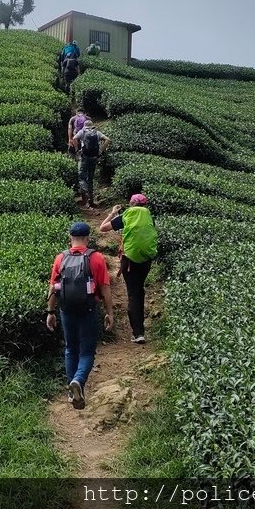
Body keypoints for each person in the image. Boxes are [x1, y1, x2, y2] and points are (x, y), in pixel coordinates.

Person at [46, 221, 114, 409]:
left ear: (70, 238)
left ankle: (71, 391)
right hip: (89, 309)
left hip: (66, 309)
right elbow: (105, 288)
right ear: (87, 239)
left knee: (71, 348)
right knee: (87, 351)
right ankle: (78, 380)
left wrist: (50, 312)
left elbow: (53, 287)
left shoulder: (61, 258)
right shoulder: (96, 258)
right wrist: (109, 312)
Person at [100, 194, 157, 344]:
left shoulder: (126, 216)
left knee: (133, 293)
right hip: (146, 260)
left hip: (129, 261)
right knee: (139, 290)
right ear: (145, 205)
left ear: (131, 204)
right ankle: (139, 328)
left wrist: (112, 213)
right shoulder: (149, 216)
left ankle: (138, 333)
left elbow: (103, 228)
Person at [73, 119, 110, 208]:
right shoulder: (97, 132)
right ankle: (91, 199)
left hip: (84, 158)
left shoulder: (82, 132)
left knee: (82, 177)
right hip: (93, 158)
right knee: (90, 177)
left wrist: (77, 150)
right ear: (92, 125)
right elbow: (108, 140)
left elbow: (74, 139)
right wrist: (100, 151)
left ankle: (84, 199)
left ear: (84, 126)